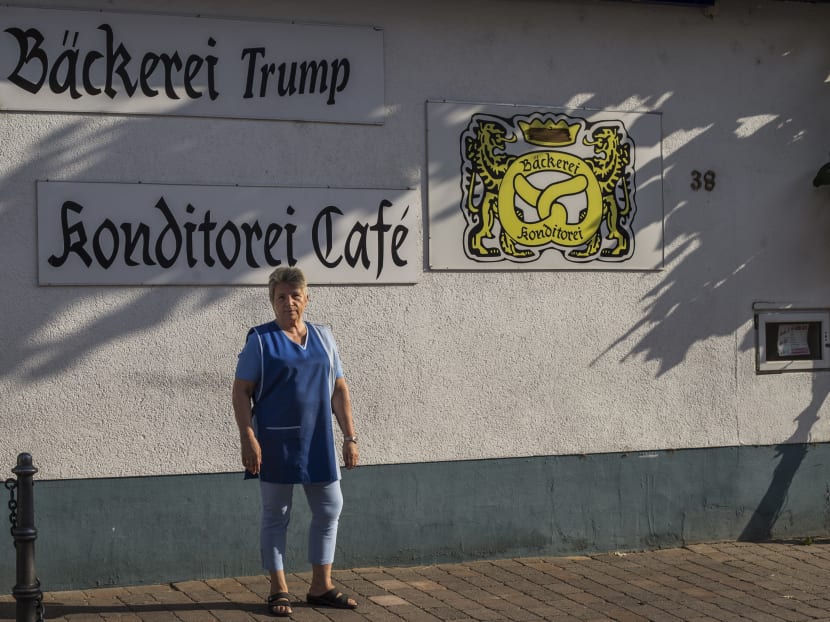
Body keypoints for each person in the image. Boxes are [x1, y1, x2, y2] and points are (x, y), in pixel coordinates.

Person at [232, 266, 359, 617]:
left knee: (330, 508)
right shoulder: (260, 340)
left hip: (319, 440)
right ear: (272, 302)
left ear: (306, 299)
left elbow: (339, 389)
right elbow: (241, 391)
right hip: (275, 443)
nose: (288, 303)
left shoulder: (324, 337)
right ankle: (279, 589)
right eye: (280, 297)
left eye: (294, 296)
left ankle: (321, 586)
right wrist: (248, 437)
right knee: (276, 515)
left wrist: (349, 436)